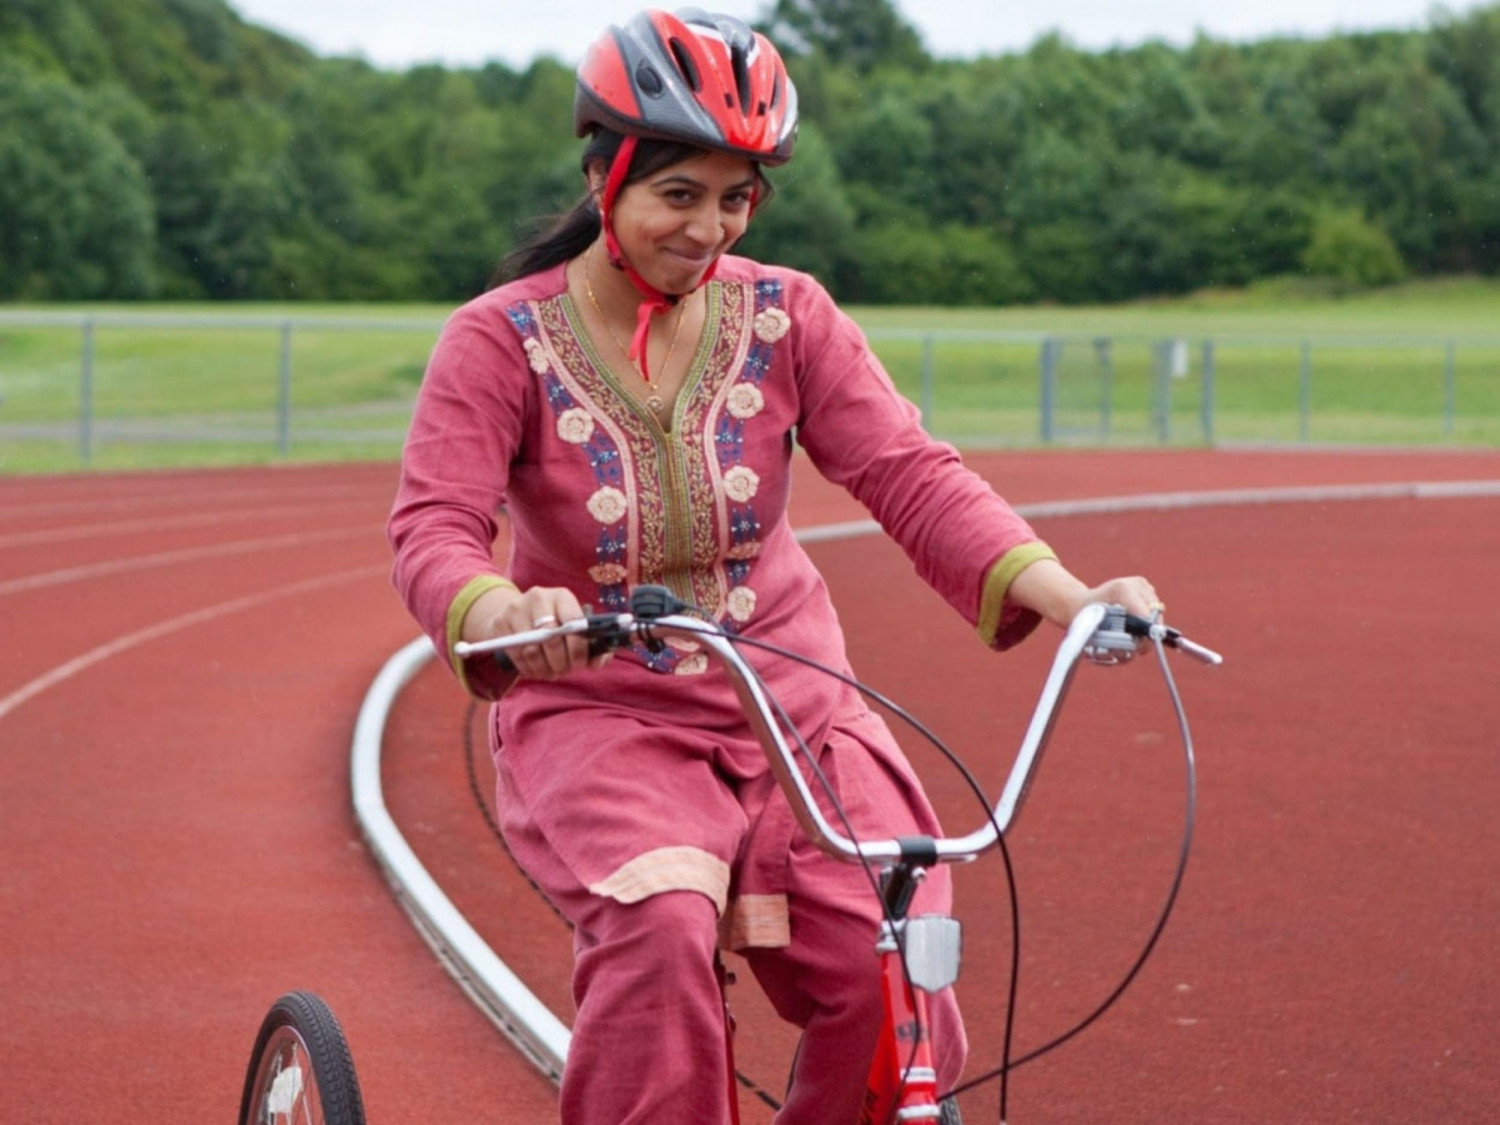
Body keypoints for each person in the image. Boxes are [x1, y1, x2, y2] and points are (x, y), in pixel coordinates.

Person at [388, 8, 1163, 1124]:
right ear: (605, 176)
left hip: (800, 714)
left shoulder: (787, 314)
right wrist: (501, 605)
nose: (710, 228)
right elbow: (431, 531)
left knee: (896, 973)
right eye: (679, 194)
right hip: (604, 720)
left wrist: (1074, 597)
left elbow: (909, 473)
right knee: (659, 937)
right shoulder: (497, 341)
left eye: (737, 197)